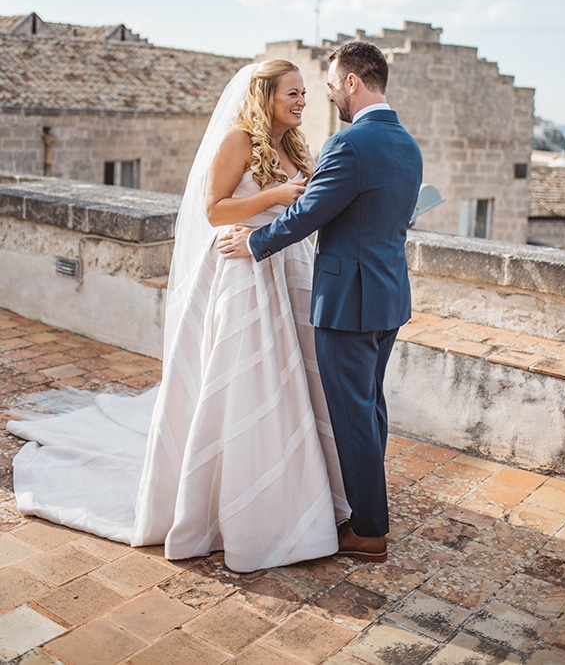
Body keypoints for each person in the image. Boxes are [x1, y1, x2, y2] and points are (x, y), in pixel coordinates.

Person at [8, 60, 350, 573]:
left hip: (285, 269)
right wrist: (275, 196)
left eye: (304, 93)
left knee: (293, 378)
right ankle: (236, 500)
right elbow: (214, 211)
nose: (302, 102)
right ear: (264, 96)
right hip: (241, 271)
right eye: (292, 94)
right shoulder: (237, 140)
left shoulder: (295, 145)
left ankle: (294, 487)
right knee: (247, 377)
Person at [218, 41, 423, 562]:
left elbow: (308, 214)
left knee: (351, 413)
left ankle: (370, 528)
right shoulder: (407, 144)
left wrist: (253, 242)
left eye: (330, 85)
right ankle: (365, 508)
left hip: (348, 301)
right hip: (388, 295)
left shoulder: (349, 144)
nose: (328, 95)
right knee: (370, 407)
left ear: (352, 83)